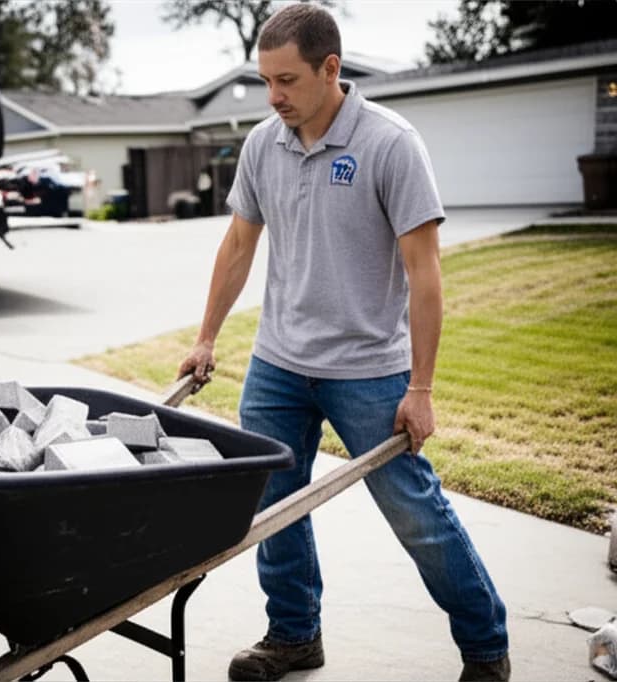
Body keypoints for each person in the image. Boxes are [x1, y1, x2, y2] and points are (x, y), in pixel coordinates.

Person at [177, 5, 510, 681]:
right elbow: (240, 242)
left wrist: (420, 389)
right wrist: (207, 337)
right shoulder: (263, 144)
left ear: (331, 69)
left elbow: (426, 275)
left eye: (288, 80)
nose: (274, 97)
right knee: (273, 509)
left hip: (368, 372)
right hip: (277, 365)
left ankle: (486, 650)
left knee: (417, 515)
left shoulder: (390, 144)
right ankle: (294, 634)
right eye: (266, 80)